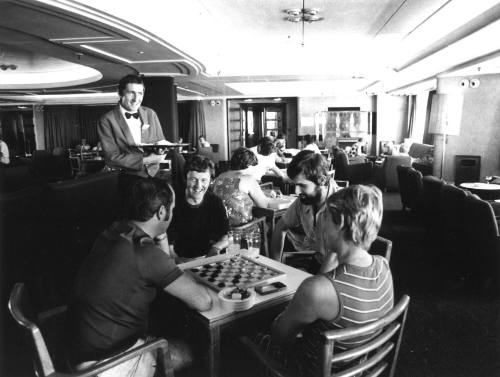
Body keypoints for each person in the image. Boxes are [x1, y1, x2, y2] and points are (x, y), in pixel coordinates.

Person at [66, 178, 212, 377]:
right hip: (103, 366)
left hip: (79, 348)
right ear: (162, 212)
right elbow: (203, 301)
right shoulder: (144, 253)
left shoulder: (114, 230)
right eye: (172, 208)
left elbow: (158, 265)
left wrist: (160, 234)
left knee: (167, 327)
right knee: (194, 349)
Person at [256, 185, 393, 377]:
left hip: (310, 371)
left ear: (342, 222)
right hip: (356, 368)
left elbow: (279, 336)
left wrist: (280, 315)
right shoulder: (383, 265)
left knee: (249, 332)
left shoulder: (318, 290)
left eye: (325, 217)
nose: (320, 224)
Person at [97, 74, 184, 194]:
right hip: (128, 179)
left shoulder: (150, 113)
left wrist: (162, 150)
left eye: (140, 93)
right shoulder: (107, 120)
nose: (136, 98)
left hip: (156, 175)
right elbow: (112, 158)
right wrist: (147, 160)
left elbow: (160, 140)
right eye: (131, 93)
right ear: (120, 93)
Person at [270, 150, 338, 269]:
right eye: (294, 185)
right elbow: (280, 228)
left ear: (321, 180)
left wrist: (315, 283)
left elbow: (335, 255)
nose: (296, 192)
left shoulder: (341, 205)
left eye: (302, 185)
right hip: (318, 261)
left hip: (339, 271)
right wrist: (275, 267)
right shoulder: (304, 201)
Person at [168, 154, 229, 258]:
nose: (198, 186)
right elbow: (167, 243)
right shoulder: (173, 203)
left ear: (211, 181)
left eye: (204, 180)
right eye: (193, 179)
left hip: (207, 258)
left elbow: (225, 235)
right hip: (180, 260)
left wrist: (216, 248)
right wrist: (178, 260)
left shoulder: (215, 202)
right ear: (185, 179)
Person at [213, 147, 270, 226]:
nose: (254, 170)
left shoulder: (220, 176)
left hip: (219, 228)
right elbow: (264, 205)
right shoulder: (248, 179)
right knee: (268, 225)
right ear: (248, 165)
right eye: (253, 166)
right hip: (242, 229)